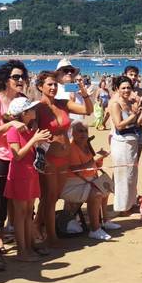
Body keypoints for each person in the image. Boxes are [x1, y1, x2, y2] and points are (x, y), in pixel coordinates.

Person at [35, 70, 92, 249]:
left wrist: (83, 91)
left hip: (64, 157)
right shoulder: (37, 108)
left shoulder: (63, 103)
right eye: (49, 84)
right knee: (49, 197)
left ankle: (38, 227)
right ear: (40, 87)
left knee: (53, 197)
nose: (53, 87)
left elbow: (88, 110)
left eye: (54, 84)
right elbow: (32, 132)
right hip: (50, 158)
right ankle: (51, 236)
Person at [0, 60, 30, 250]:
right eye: (15, 77)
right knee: (0, 198)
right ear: (5, 79)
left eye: (22, 77)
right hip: (0, 156)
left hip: (19, 156)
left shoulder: (23, 99)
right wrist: (10, 124)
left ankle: (20, 232)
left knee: (21, 197)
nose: (20, 80)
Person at [3, 98, 51, 260]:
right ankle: (22, 251)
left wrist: (40, 143)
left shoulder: (29, 129)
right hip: (19, 174)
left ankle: (28, 247)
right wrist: (34, 140)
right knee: (20, 213)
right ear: (23, 113)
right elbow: (16, 155)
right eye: (31, 109)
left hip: (31, 173)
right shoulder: (13, 131)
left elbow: (32, 151)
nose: (34, 110)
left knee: (29, 212)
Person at [61, 121, 113, 239]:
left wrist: (100, 158)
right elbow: (76, 170)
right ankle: (95, 229)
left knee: (106, 186)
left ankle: (106, 220)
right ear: (72, 133)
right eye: (80, 131)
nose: (83, 134)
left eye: (85, 131)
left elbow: (94, 165)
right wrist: (94, 160)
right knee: (96, 193)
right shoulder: (72, 147)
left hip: (87, 179)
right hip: (74, 183)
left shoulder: (86, 145)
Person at [109, 76, 142, 216]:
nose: (126, 90)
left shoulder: (129, 102)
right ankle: (122, 208)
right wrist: (133, 114)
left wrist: (140, 110)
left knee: (131, 175)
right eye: (123, 88)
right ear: (117, 89)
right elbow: (119, 125)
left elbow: (136, 123)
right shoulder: (115, 104)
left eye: (128, 87)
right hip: (121, 142)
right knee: (123, 176)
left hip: (132, 141)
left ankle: (131, 204)